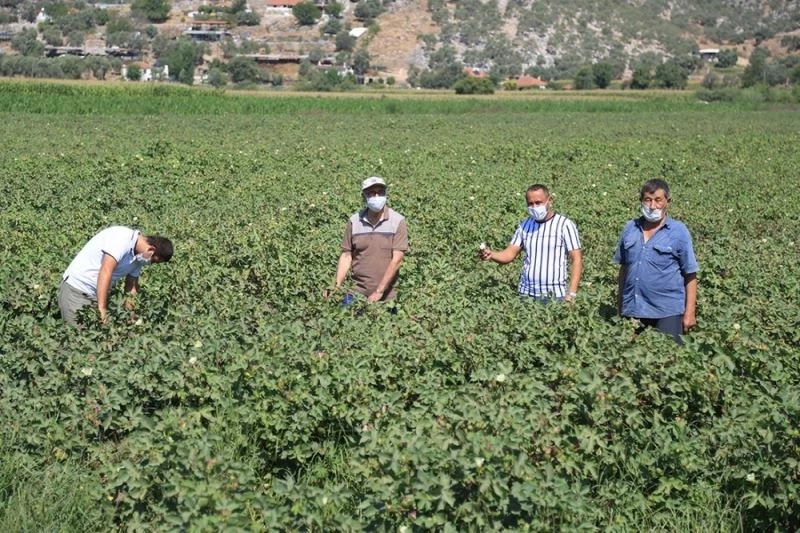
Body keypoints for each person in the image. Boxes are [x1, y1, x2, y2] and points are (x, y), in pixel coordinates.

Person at [614, 178, 698, 344]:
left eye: (658, 200)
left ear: (667, 202)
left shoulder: (678, 232)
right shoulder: (630, 228)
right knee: (629, 356)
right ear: (641, 201)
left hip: (667, 311)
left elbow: (690, 274)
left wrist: (690, 312)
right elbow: (624, 269)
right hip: (633, 308)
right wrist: (620, 305)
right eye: (648, 200)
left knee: (667, 356)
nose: (652, 206)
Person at [479, 184, 583, 302]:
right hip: (526, 294)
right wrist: (492, 255)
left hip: (554, 295)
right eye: (530, 204)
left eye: (538, 203)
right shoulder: (525, 225)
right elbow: (509, 254)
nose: (534, 207)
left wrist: (572, 293)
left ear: (549, 201)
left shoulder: (564, 225)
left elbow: (577, 259)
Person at [59, 226, 173, 325]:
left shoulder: (139, 258)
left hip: (98, 295)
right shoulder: (122, 238)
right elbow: (106, 271)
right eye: (153, 261)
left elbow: (131, 287)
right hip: (77, 290)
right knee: (77, 335)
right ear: (151, 249)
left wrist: (131, 314)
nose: (150, 263)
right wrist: (102, 309)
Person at [328, 176, 408, 305]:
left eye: (380, 192)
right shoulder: (354, 221)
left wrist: (379, 291)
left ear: (386, 194)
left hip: (387, 296)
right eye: (371, 193)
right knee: (345, 316)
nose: (376, 196)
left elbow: (397, 260)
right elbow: (346, 255)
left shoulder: (397, 221)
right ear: (364, 196)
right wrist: (336, 287)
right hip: (355, 292)